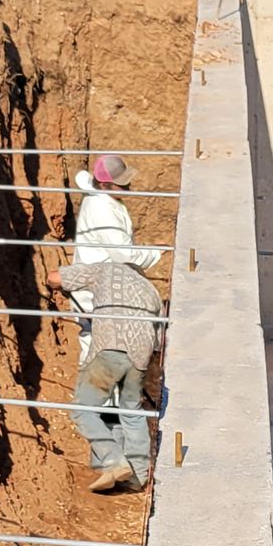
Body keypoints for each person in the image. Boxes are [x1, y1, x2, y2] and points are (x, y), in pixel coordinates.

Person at [51, 252, 162, 493]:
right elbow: (157, 343)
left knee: (83, 410)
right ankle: (138, 477)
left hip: (110, 347)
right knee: (131, 412)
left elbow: (55, 277)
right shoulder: (152, 291)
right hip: (141, 356)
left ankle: (114, 462)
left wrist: (52, 285)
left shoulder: (107, 269)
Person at [64, 154, 162, 364]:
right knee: (103, 348)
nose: (128, 187)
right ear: (104, 184)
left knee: (100, 343)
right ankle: (96, 384)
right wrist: (155, 253)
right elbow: (124, 254)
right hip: (98, 291)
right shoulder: (102, 211)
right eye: (122, 184)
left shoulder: (100, 197)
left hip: (100, 285)